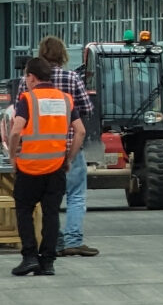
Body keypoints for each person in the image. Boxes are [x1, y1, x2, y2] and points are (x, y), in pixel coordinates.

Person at [5, 57, 86, 277]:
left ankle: (29, 257)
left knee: (24, 211)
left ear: (31, 77)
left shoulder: (28, 99)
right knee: (51, 214)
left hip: (29, 167)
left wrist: (12, 155)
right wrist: (69, 158)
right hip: (56, 168)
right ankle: (47, 262)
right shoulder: (65, 99)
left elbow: (15, 130)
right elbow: (80, 131)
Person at [37, 35, 97, 257]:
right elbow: (87, 109)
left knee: (46, 197)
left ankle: (55, 239)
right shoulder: (71, 78)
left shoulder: (29, 80)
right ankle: (73, 240)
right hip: (69, 146)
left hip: (39, 150)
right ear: (62, 54)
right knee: (75, 194)